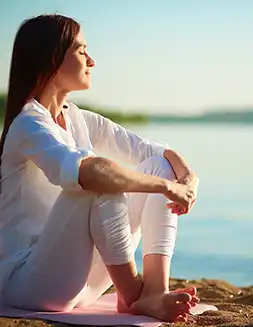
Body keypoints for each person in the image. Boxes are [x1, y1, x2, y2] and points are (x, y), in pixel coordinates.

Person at [0, 14, 199, 323]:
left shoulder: (80, 118)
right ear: (53, 58)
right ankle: (132, 294)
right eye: (82, 50)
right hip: (29, 284)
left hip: (81, 281)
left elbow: (156, 152)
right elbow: (91, 172)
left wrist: (188, 178)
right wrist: (166, 188)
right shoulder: (28, 123)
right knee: (97, 179)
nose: (91, 61)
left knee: (158, 166)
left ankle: (153, 291)